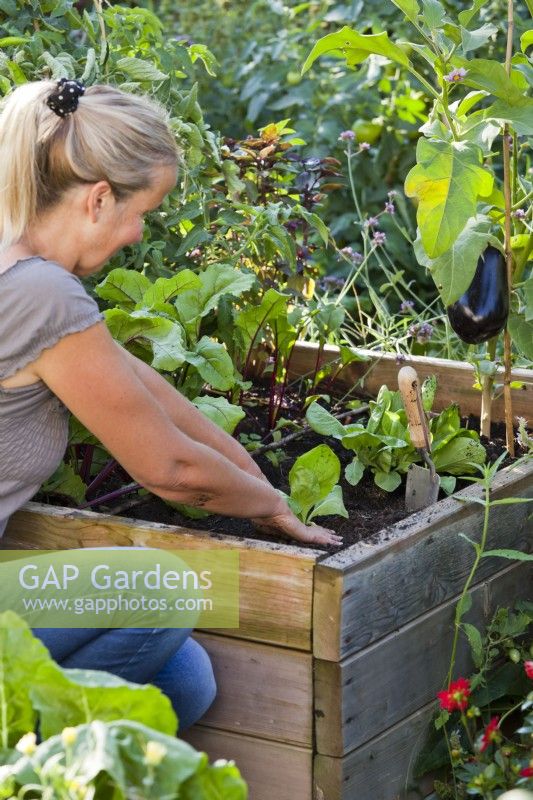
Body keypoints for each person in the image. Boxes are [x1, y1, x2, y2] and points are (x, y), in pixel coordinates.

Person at [0, 78, 342, 730]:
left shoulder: (18, 264)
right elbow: (169, 472)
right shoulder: (42, 293)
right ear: (98, 199)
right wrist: (269, 506)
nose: (137, 233)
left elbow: (144, 388)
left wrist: (250, 475)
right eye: (141, 212)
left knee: (180, 684)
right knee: (163, 586)